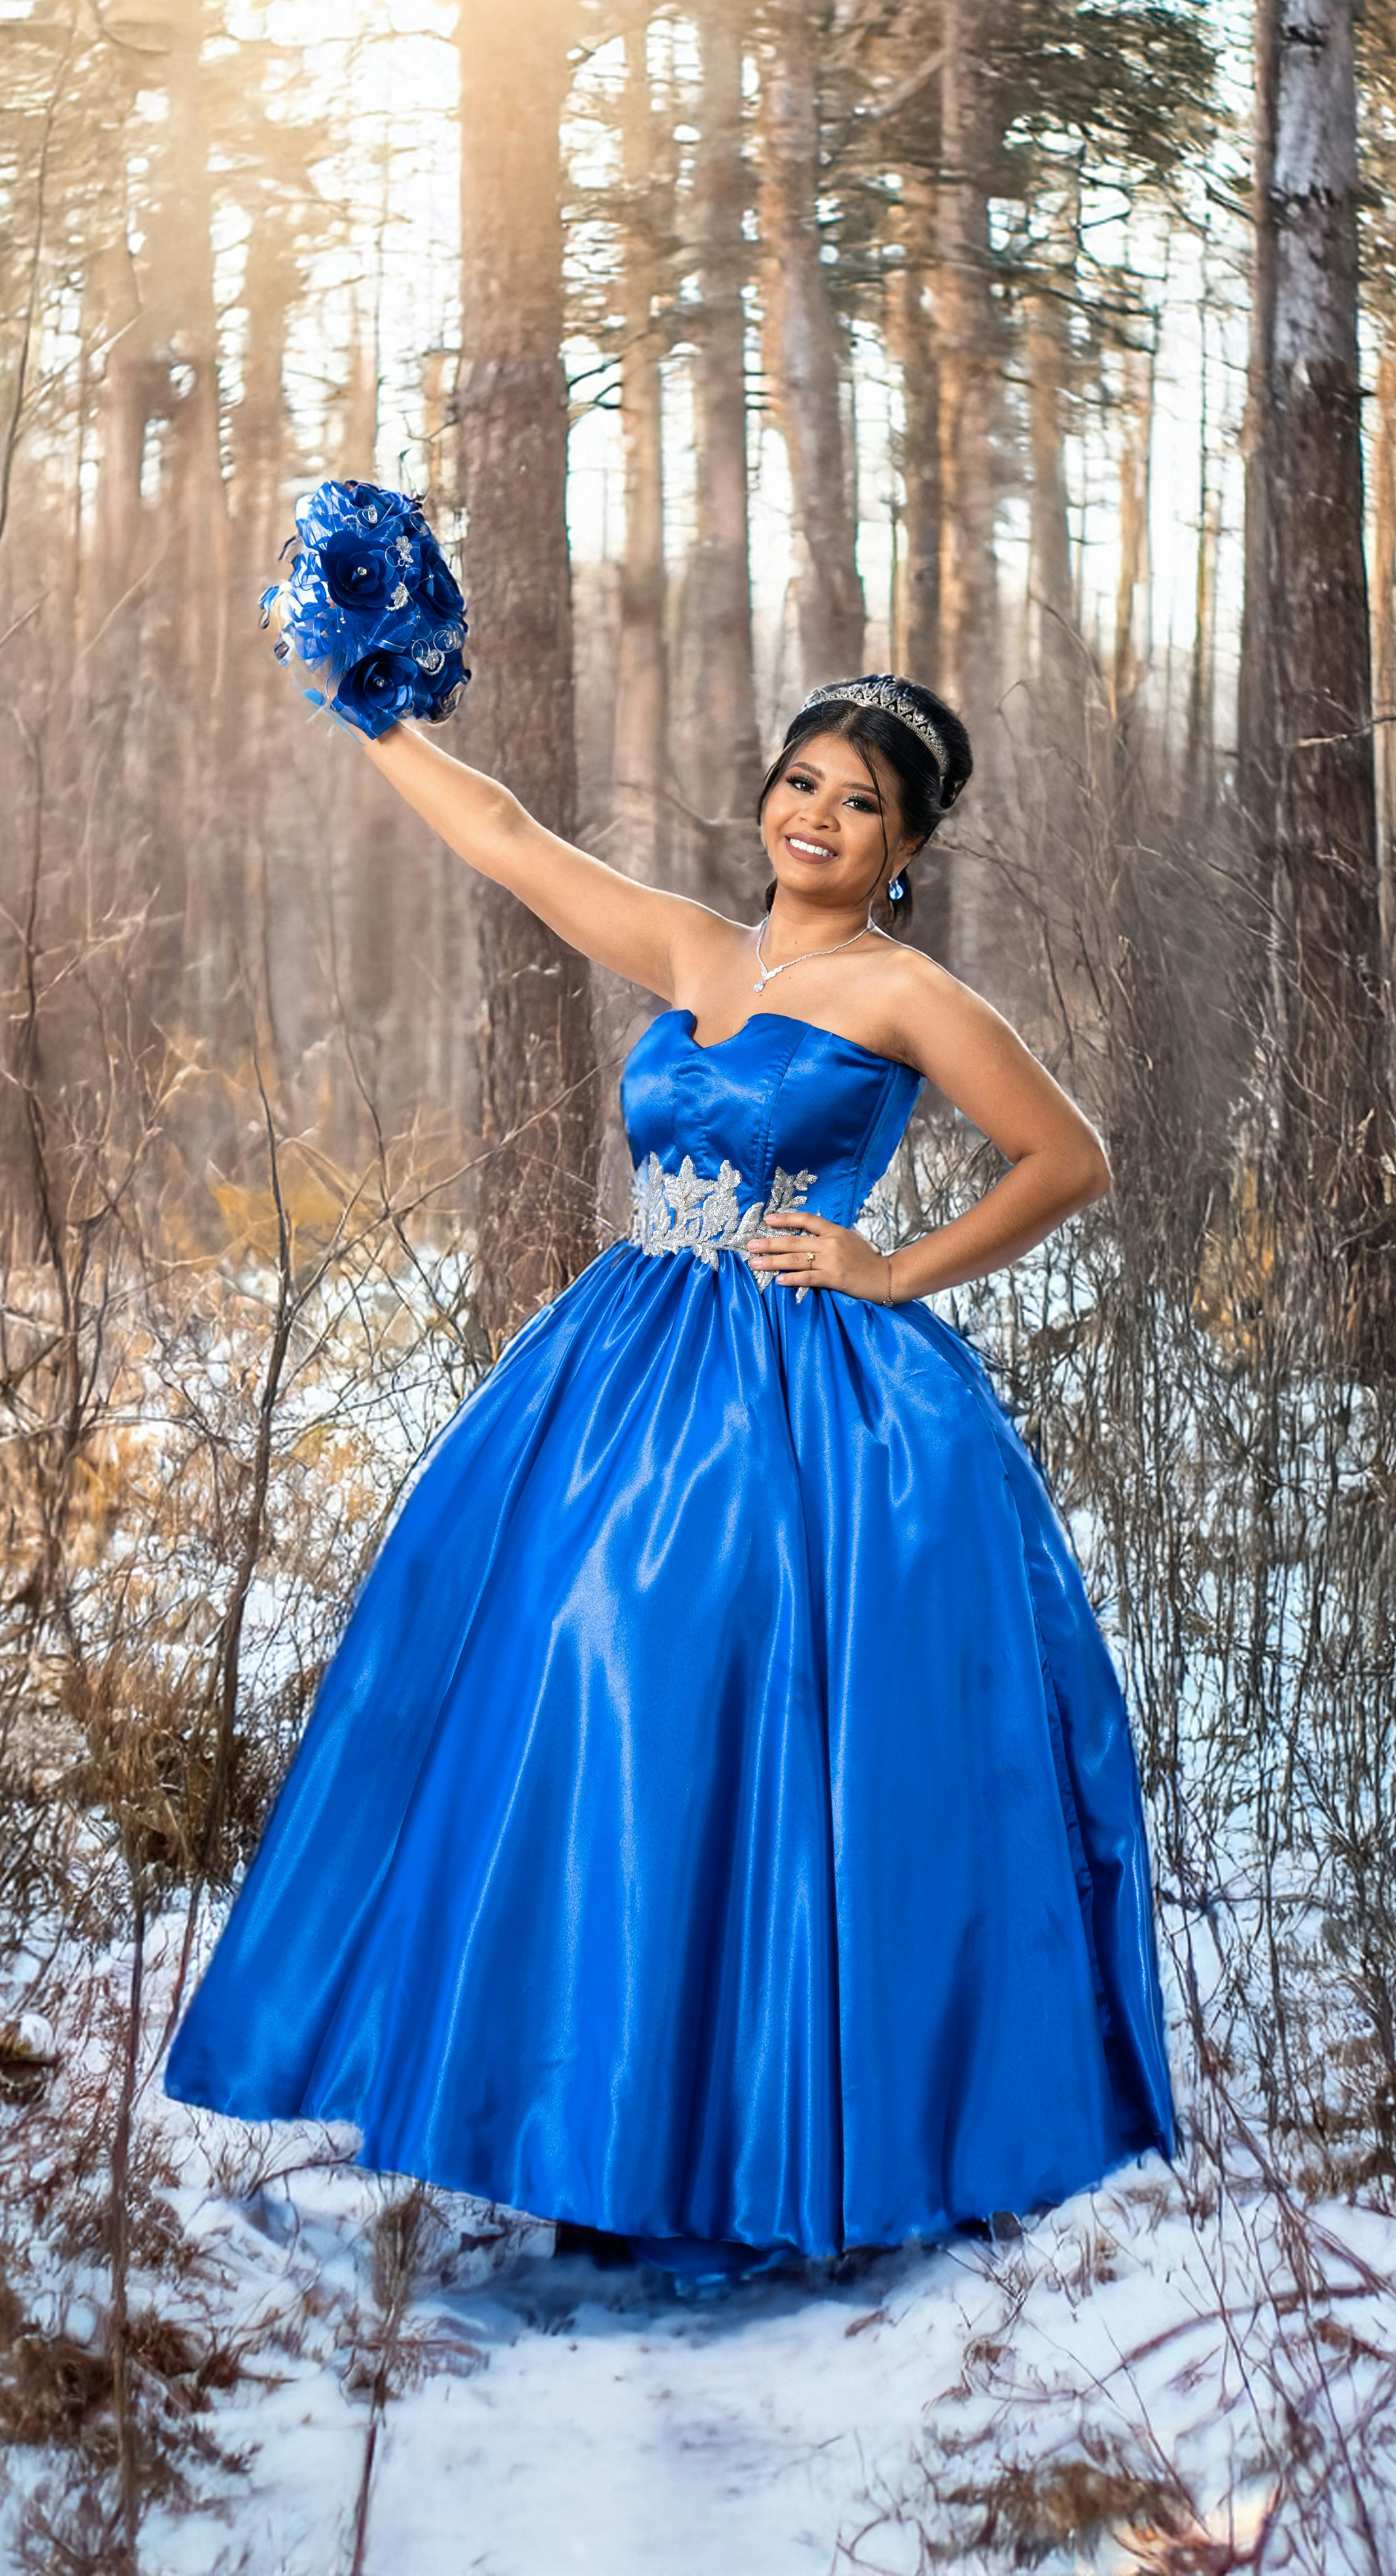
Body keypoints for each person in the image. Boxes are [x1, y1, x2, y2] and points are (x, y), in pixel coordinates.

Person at [162, 664, 1175, 2294]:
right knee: (565, 1701)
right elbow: (506, 839)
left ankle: (744, 2138)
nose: (816, 813)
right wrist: (374, 714)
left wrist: (895, 1267)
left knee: (728, 1717)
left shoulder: (911, 995)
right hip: (620, 1367)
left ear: (904, 846)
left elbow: (1071, 1159)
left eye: (859, 801)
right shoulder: (701, 951)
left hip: (803, 1402)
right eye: (801, 780)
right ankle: (587, 2118)